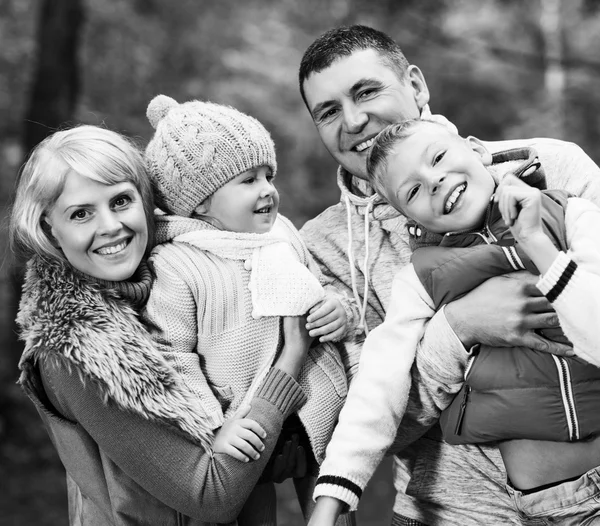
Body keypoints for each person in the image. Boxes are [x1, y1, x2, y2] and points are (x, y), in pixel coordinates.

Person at [298, 25, 600, 526]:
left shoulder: (553, 166)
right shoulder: (325, 247)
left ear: (416, 85)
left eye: (367, 91)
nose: (353, 120)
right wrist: (457, 329)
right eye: (328, 112)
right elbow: (365, 414)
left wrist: (548, 259)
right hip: (445, 511)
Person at [11, 125, 314, 526]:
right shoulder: (76, 349)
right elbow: (211, 494)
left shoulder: (176, 280)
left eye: (120, 201)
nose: (110, 226)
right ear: (49, 227)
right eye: (81, 213)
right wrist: (289, 362)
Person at [142, 95, 357, 525]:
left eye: (267, 175)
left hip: (316, 409)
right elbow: (173, 360)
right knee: (254, 516)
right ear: (200, 202)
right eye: (247, 181)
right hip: (245, 422)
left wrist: (339, 309)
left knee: (333, 509)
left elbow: (323, 287)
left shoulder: (283, 235)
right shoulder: (178, 264)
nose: (267, 190)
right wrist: (212, 428)